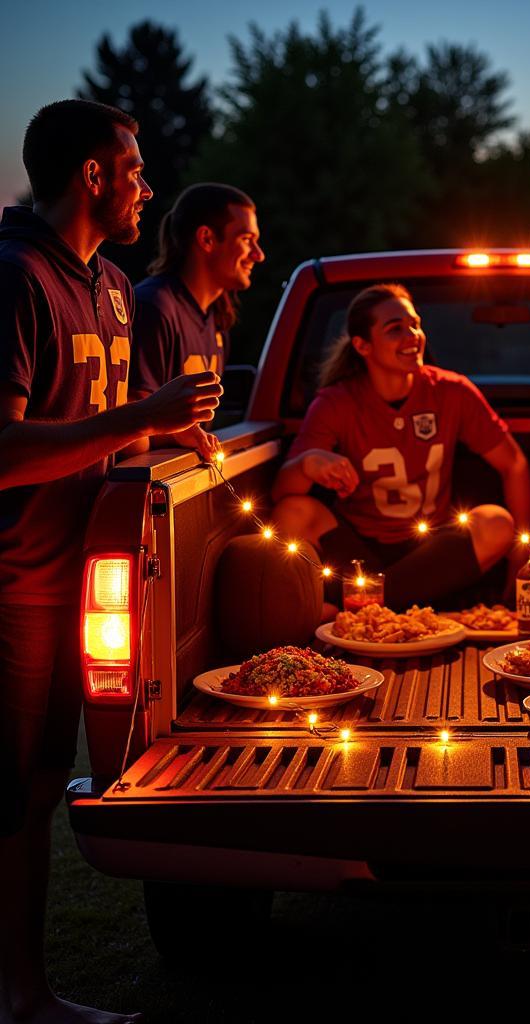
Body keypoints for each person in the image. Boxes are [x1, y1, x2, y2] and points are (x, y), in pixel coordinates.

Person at [0, 99, 222, 1024]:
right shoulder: (14, 277)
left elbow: (103, 437)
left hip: (68, 583)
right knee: (10, 795)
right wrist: (144, 417)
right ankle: (19, 997)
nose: (146, 186)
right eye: (133, 169)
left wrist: (172, 448)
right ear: (92, 175)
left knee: (42, 787)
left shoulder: (114, 287)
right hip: (10, 580)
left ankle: (26, 993)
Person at [271, 283, 530, 610]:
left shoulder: (452, 391)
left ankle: (365, 609)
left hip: (431, 550)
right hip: (361, 551)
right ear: (362, 346)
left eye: (415, 324)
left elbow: (514, 463)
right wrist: (310, 462)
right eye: (395, 329)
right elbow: (281, 493)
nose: (413, 336)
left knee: (497, 522)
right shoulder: (336, 402)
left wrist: (522, 554)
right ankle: (402, 606)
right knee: (291, 512)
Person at [128, 183, 264, 461]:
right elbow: (131, 425)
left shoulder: (217, 322)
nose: (258, 255)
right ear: (206, 239)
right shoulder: (154, 308)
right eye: (247, 239)